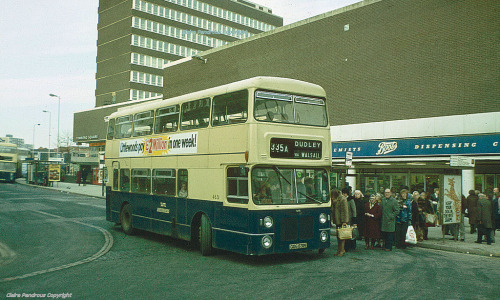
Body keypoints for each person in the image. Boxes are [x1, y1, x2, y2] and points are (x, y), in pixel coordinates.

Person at [331, 189, 349, 257]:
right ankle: (339, 250)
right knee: (338, 236)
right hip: (337, 220)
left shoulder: (342, 199)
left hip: (341, 221)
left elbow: (345, 211)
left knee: (342, 236)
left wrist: (344, 221)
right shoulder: (335, 199)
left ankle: (342, 250)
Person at [343, 187, 357, 251]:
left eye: (344, 193)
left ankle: (351, 246)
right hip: (344, 219)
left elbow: (354, 209)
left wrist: (354, 218)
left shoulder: (351, 200)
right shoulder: (343, 199)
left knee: (350, 233)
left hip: (350, 218)